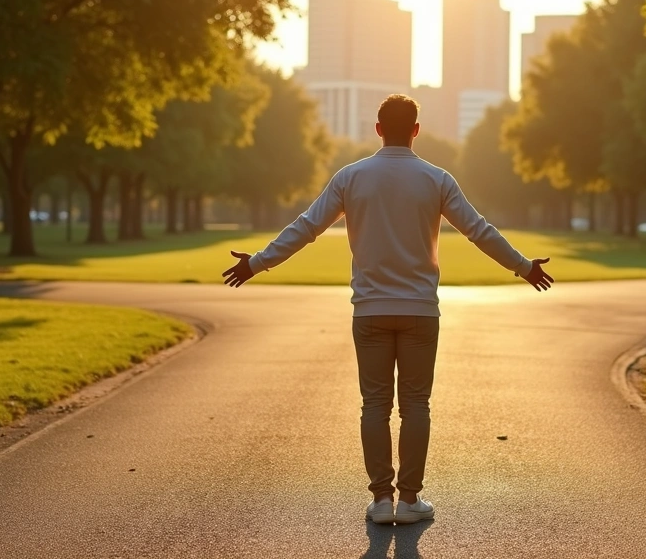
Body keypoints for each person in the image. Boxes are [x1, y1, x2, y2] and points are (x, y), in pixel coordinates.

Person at [222, 94, 553, 525]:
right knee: (416, 404)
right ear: (416, 130)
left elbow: (307, 227)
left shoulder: (351, 177)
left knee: (374, 405)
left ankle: (381, 501)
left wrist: (256, 263)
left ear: (378, 129)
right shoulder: (437, 179)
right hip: (419, 311)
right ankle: (410, 499)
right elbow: (479, 231)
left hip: (370, 311)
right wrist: (524, 267)